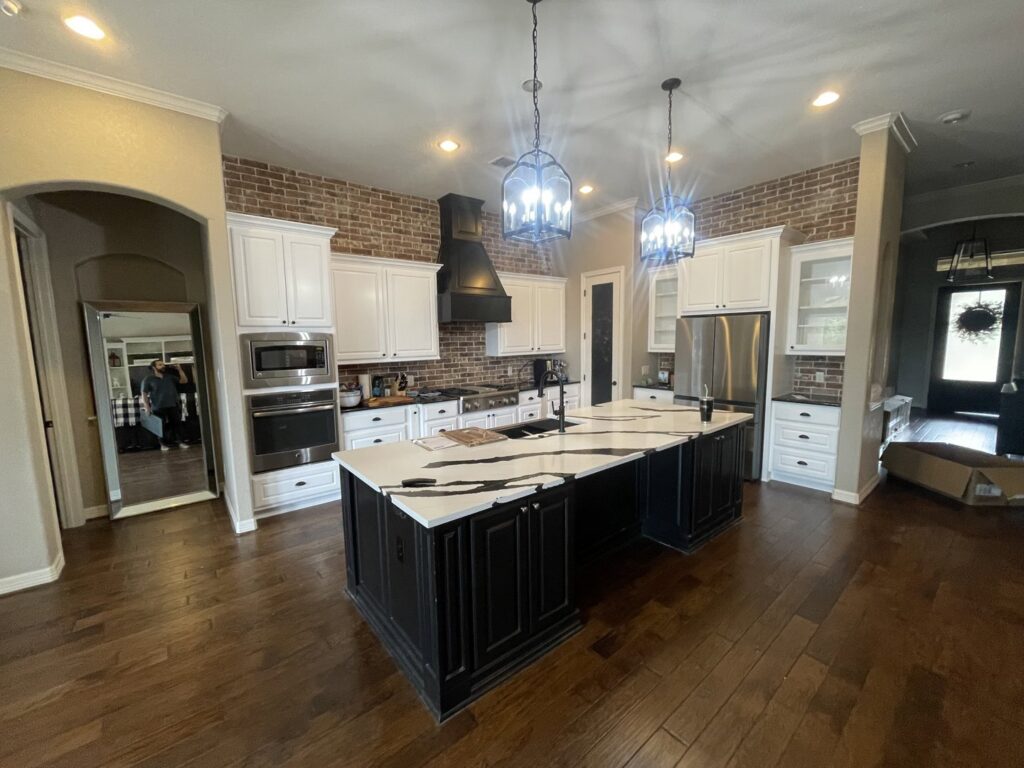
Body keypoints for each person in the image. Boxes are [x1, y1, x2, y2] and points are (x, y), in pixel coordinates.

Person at [141, 359, 188, 451]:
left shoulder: (169, 377)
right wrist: (147, 407)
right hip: (158, 406)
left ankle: (181, 442)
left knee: (177, 424)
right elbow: (144, 394)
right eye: (160, 365)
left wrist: (179, 369)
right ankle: (163, 445)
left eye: (163, 364)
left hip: (173, 404)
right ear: (154, 367)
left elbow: (184, 381)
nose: (163, 366)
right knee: (160, 426)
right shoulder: (148, 379)